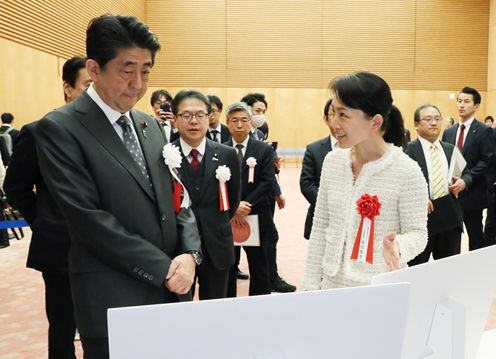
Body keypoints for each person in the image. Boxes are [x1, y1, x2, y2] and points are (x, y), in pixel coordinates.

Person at [34, 15, 201, 358]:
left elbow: (178, 198)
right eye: (127, 70)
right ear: (94, 69)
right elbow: (88, 220)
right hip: (113, 297)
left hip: (172, 291)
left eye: (146, 70)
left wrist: (190, 253)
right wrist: (163, 269)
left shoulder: (149, 125)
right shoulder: (60, 129)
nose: (138, 84)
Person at [302, 71, 428, 290]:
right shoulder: (333, 161)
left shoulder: (406, 171)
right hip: (331, 286)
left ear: (375, 121)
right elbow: (321, 227)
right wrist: (310, 287)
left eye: (343, 115)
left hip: (379, 287)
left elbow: (418, 234)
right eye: (333, 113)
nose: (334, 123)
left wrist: (398, 245)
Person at [4, 55, 91, 358]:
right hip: (59, 248)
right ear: (67, 88)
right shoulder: (38, 131)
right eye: (87, 85)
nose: (93, 93)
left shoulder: (106, 133)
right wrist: (45, 220)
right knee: (63, 327)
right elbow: (15, 187)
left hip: (104, 251)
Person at [171, 90, 240, 299]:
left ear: (209, 118)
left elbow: (233, 200)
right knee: (179, 310)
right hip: (178, 248)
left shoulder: (227, 154)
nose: (194, 121)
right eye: (186, 115)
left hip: (217, 245)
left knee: (215, 311)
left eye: (200, 115)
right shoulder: (165, 155)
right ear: (175, 119)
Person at [406, 104, 471, 265]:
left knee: (448, 270)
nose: (434, 123)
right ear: (416, 125)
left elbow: (467, 173)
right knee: (416, 269)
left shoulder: (451, 149)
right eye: (428, 119)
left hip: (450, 216)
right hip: (422, 219)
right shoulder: (407, 151)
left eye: (437, 119)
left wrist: (463, 182)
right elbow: (402, 183)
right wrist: (418, 197)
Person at [225, 102, 276, 296]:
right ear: (227, 123)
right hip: (228, 216)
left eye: (244, 120)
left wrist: (246, 204)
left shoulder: (263, 149)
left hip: (256, 215)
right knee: (228, 265)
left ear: (251, 123)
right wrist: (233, 207)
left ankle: (260, 307)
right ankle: (228, 305)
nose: (239, 125)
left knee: (259, 266)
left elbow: (267, 181)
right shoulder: (219, 149)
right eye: (234, 121)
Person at [441, 87, 494, 250]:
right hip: (450, 195)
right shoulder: (449, 132)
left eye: (466, 101)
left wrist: (466, 180)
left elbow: (488, 160)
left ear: (476, 106)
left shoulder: (485, 131)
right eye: (459, 101)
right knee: (450, 238)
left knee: (476, 238)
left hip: (473, 194)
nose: (461, 105)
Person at [300, 98, 337, 240]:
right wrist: (329, 206)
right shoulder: (314, 149)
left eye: (343, 114)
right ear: (326, 119)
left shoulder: (358, 148)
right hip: (320, 217)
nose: (338, 119)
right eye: (333, 113)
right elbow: (307, 184)